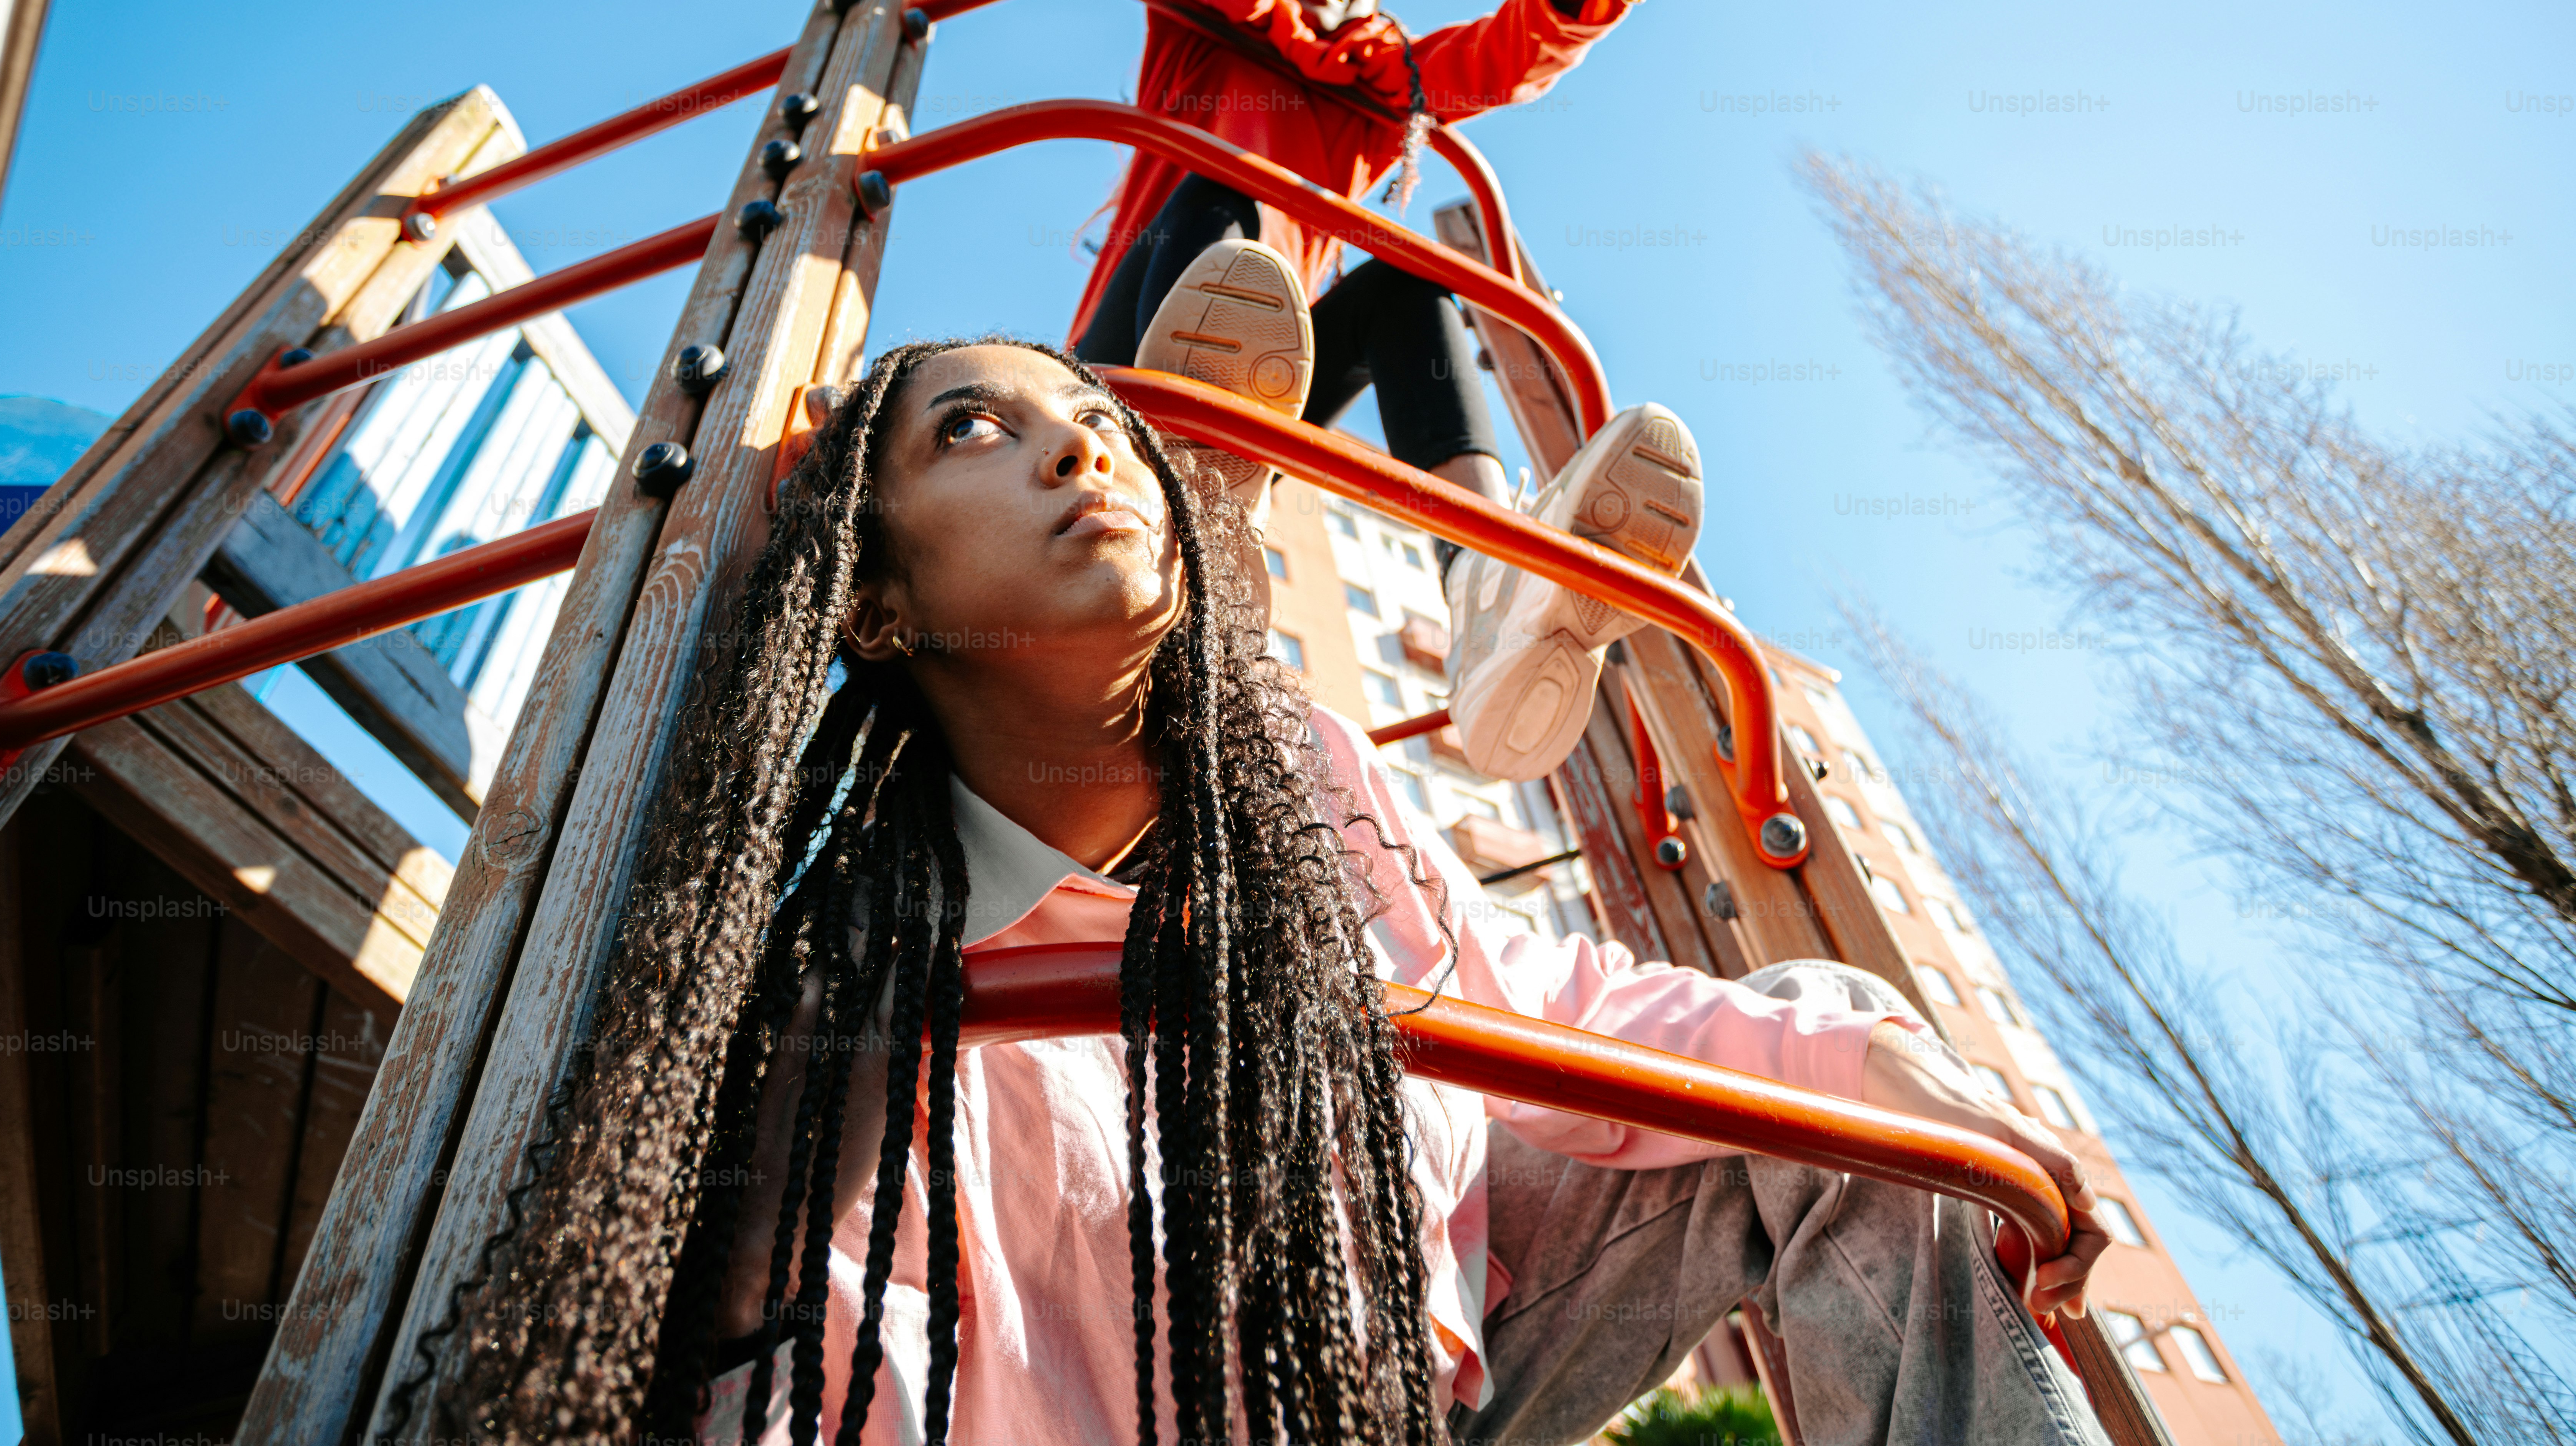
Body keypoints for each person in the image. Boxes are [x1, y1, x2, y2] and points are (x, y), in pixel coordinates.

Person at [420, 338, 2112, 1446]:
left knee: (1831, 1066)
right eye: (978, 430)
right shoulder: (864, 1024)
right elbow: (844, 1380)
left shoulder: (1300, 771)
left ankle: (1474, 561)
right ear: (876, 600)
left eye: (1105, 426)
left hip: (1422, 1349)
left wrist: (1903, 1085)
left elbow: (1534, 999)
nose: (1079, 453)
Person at [1069, 0, 1700, 784]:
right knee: (1224, 193)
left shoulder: (1370, 104)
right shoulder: (1209, 35)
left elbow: (1484, 63)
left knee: (1411, 282)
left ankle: (1486, 578)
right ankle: (1173, 450)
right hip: (1125, 365)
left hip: (1261, 381)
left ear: (1374, 6)